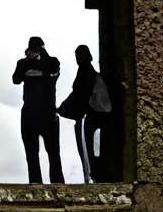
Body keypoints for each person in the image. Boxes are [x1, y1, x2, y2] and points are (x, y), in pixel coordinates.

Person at [14, 36, 66, 184]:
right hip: (30, 113)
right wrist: (30, 64)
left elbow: (53, 70)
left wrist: (35, 70)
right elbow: (16, 79)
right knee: (31, 154)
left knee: (54, 153)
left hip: (48, 113)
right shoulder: (23, 63)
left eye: (38, 48)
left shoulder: (52, 61)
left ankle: (57, 185)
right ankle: (36, 184)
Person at [60, 46, 112, 182]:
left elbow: (79, 95)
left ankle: (93, 177)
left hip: (95, 116)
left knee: (90, 151)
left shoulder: (86, 73)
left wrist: (61, 109)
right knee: (94, 150)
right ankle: (94, 176)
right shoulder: (88, 72)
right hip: (99, 116)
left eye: (79, 55)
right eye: (76, 56)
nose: (78, 59)